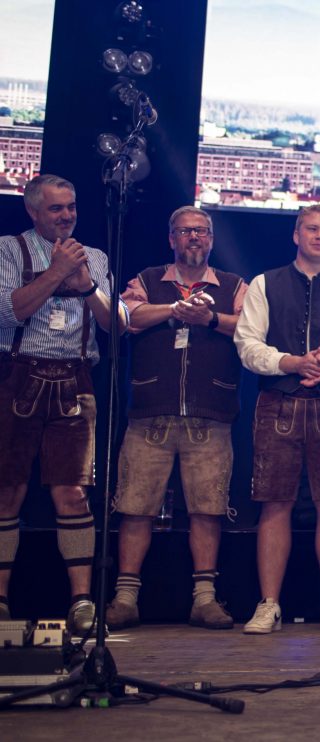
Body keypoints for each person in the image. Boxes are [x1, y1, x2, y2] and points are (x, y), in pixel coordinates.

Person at [106, 206, 246, 632]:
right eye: (186, 231)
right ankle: (125, 598)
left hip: (211, 414)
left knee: (208, 510)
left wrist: (209, 318)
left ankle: (204, 600)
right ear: (171, 238)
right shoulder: (147, 280)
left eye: (202, 231)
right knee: (135, 508)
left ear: (212, 239)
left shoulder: (233, 284)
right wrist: (173, 309)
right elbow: (124, 317)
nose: (195, 238)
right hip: (150, 415)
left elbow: (252, 329)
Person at [233, 204, 320, 634]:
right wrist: (289, 362)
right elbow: (247, 343)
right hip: (278, 401)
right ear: (296, 234)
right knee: (274, 502)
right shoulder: (264, 283)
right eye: (312, 229)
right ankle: (268, 603)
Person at [0, 174, 126, 631]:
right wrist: (56, 274)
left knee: (73, 494)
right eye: (56, 208)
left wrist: (88, 284)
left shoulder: (94, 256)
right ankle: (0, 601)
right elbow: (8, 310)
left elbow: (116, 324)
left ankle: (81, 602)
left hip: (76, 382)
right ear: (34, 212)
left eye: (71, 206)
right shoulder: (9, 249)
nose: (67, 215)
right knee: (7, 491)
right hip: (18, 379)